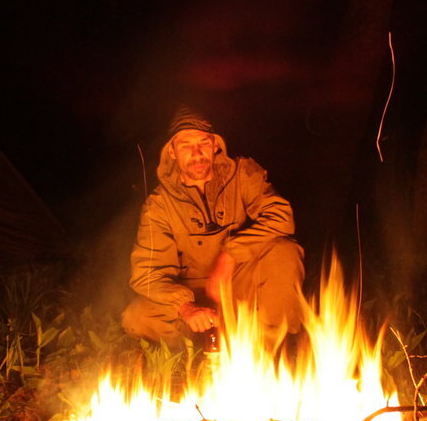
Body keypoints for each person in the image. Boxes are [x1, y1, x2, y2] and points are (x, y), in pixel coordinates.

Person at [121, 106, 304, 344]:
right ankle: (194, 347)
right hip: (191, 294)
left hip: (238, 283)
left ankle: (264, 346)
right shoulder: (158, 206)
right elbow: (147, 273)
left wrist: (230, 255)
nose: (197, 153)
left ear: (215, 146)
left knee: (284, 252)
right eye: (186, 144)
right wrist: (185, 307)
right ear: (172, 152)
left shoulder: (242, 175)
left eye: (203, 143)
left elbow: (281, 216)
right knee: (137, 317)